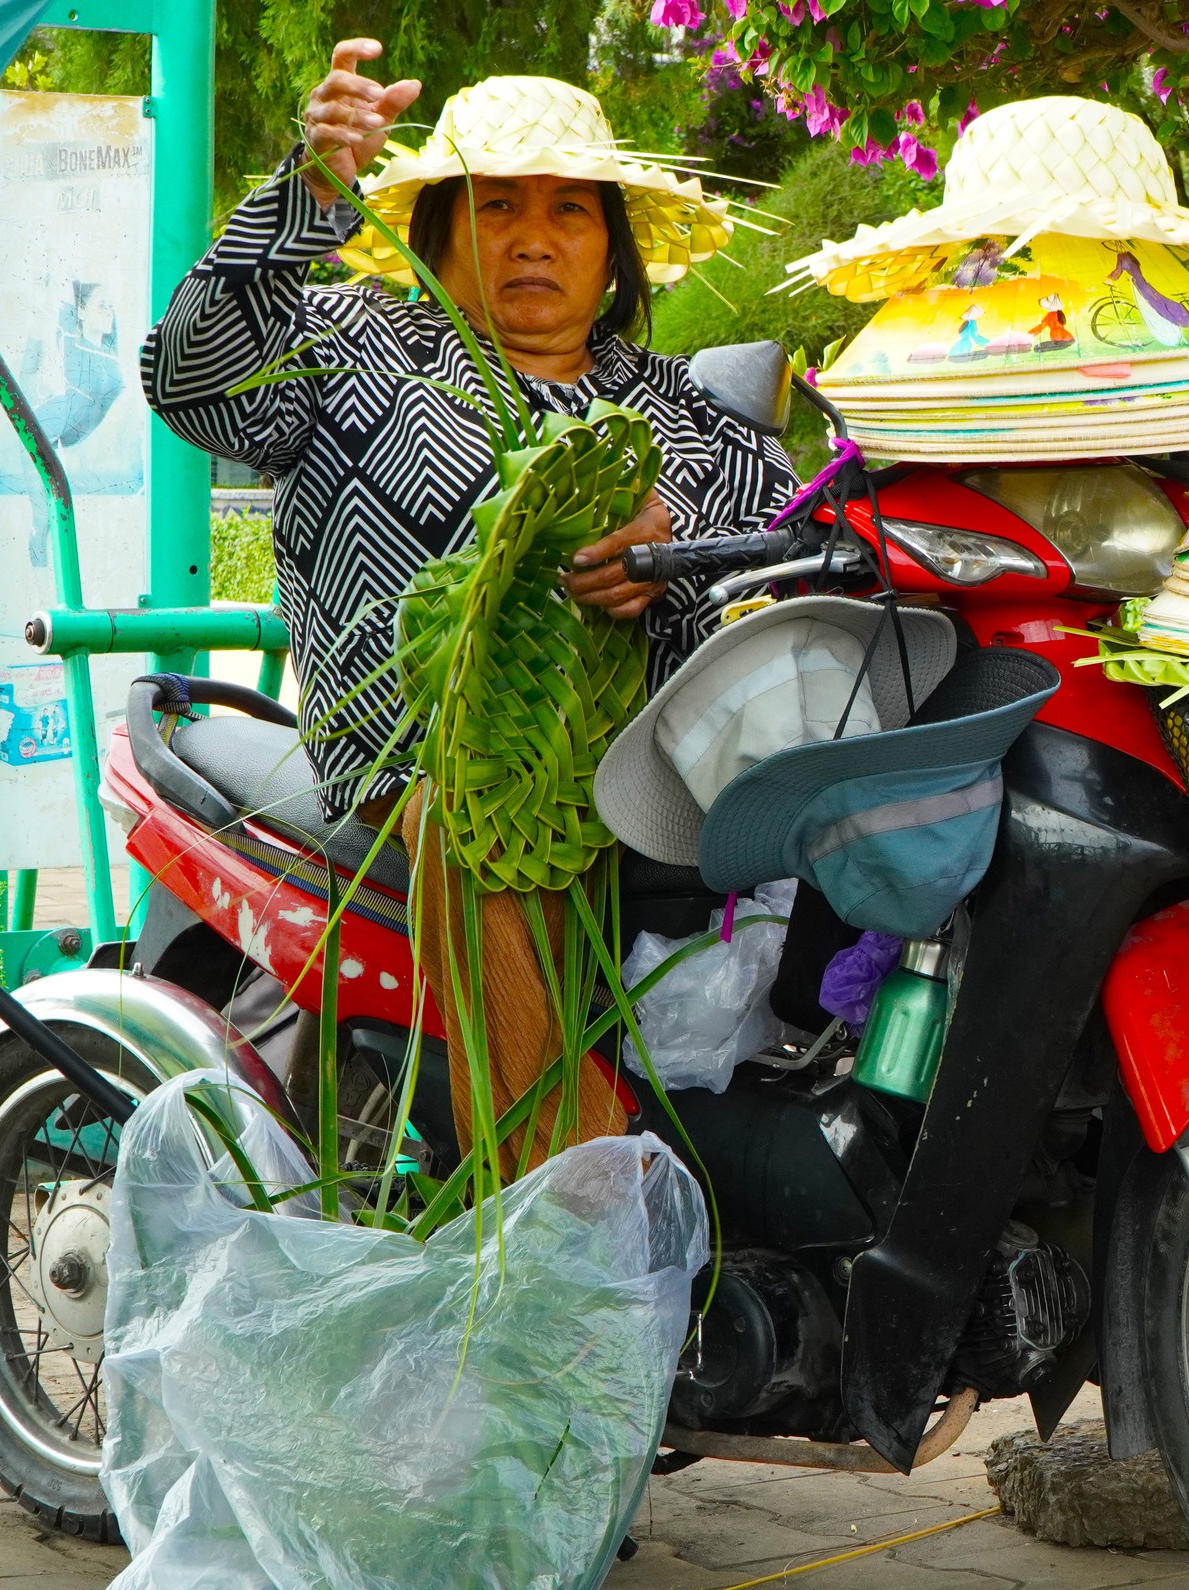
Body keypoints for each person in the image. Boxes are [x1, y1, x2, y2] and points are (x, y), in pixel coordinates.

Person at [141, 44, 796, 1164]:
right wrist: (304, 199)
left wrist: (666, 562)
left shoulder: (686, 410)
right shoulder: (353, 348)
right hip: (418, 761)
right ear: (440, 229)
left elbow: (776, 578)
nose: (534, 238)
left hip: (647, 766)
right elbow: (190, 380)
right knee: (480, 820)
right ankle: (567, 1203)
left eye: (569, 213)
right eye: (497, 207)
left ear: (613, 249)